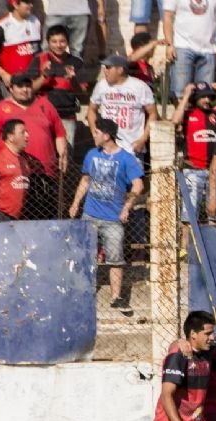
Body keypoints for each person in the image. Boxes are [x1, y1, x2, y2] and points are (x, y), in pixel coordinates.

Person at [68, 118, 144, 313]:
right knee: (85, 254)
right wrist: (76, 203)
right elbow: (85, 180)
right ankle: (83, 292)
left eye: (97, 132)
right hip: (90, 213)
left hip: (112, 218)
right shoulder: (92, 154)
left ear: (107, 135)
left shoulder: (126, 159)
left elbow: (138, 184)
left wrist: (127, 206)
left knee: (115, 257)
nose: (93, 136)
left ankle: (116, 297)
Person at [0, 73, 68, 220]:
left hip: (44, 173)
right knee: (18, 218)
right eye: (20, 87)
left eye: (28, 86)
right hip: (14, 176)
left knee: (44, 218)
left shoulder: (45, 105)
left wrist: (63, 154)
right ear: (11, 88)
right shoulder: (1, 109)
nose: (25, 90)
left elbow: (59, 133)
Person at [171, 82, 216, 221]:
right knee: (189, 216)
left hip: (214, 170)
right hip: (193, 170)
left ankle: (212, 242)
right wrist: (186, 95)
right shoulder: (188, 113)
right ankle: (186, 243)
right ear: (195, 98)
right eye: (203, 97)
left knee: (214, 215)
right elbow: (175, 121)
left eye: (209, 97)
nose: (207, 100)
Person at [27, 25, 87, 148]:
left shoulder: (77, 63)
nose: (58, 45)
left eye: (62, 41)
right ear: (48, 42)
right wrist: (44, 76)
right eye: (54, 42)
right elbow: (29, 90)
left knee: (67, 153)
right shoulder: (39, 60)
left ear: (68, 42)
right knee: (43, 150)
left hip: (67, 116)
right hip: (42, 116)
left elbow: (83, 95)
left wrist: (73, 80)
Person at [88, 56, 157, 157]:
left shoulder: (140, 87)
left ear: (120, 70)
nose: (105, 71)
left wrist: (143, 139)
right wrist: (95, 132)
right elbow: (91, 110)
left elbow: (153, 114)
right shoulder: (101, 86)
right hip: (107, 147)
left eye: (108, 67)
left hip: (132, 148)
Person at [164, 0, 216, 101]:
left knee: (204, 96)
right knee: (180, 94)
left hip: (209, 48)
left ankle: (200, 117)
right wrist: (170, 44)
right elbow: (168, 16)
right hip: (182, 46)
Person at [0, 0, 41, 94]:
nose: (31, 5)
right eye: (27, 3)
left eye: (31, 2)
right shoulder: (2, 24)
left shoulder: (36, 22)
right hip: (12, 83)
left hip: (32, 82)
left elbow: (38, 51)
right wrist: (3, 73)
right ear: (15, 5)